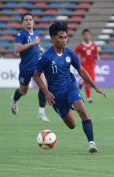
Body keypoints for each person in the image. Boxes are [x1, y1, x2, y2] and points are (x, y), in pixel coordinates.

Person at [33, 21, 106, 153]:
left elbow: (81, 71)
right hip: (56, 95)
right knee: (72, 125)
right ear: (52, 38)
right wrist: (46, 92)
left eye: (66, 37)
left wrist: (95, 87)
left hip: (70, 87)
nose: (64, 40)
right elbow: (36, 75)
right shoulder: (46, 57)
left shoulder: (69, 53)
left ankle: (91, 143)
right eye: (61, 37)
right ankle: (69, 105)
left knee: (83, 112)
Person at [10, 13, 49, 122]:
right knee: (23, 91)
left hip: (37, 65)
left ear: (33, 21)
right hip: (26, 67)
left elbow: (36, 45)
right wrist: (32, 43)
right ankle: (13, 100)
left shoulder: (35, 34)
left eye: (30, 19)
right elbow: (17, 48)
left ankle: (41, 112)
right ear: (22, 23)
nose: (28, 21)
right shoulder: (21, 35)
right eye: (26, 20)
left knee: (42, 86)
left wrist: (41, 50)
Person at [74, 29, 101, 103]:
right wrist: (78, 60)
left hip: (92, 66)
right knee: (88, 82)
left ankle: (81, 81)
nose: (87, 36)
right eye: (85, 34)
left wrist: (98, 58)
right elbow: (74, 54)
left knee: (92, 81)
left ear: (90, 35)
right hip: (84, 66)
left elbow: (96, 54)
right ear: (83, 36)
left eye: (88, 34)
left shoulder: (94, 46)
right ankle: (89, 98)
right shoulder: (80, 46)